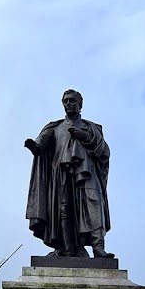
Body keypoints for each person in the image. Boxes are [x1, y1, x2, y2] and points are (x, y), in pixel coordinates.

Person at [25, 89, 114, 258]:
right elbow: (42, 141)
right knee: (64, 210)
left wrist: (84, 136)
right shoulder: (55, 127)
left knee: (93, 204)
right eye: (65, 101)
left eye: (72, 101)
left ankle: (98, 247)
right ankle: (67, 249)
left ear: (80, 105)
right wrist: (35, 146)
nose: (68, 104)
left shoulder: (91, 128)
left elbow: (104, 152)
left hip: (87, 173)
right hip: (61, 174)